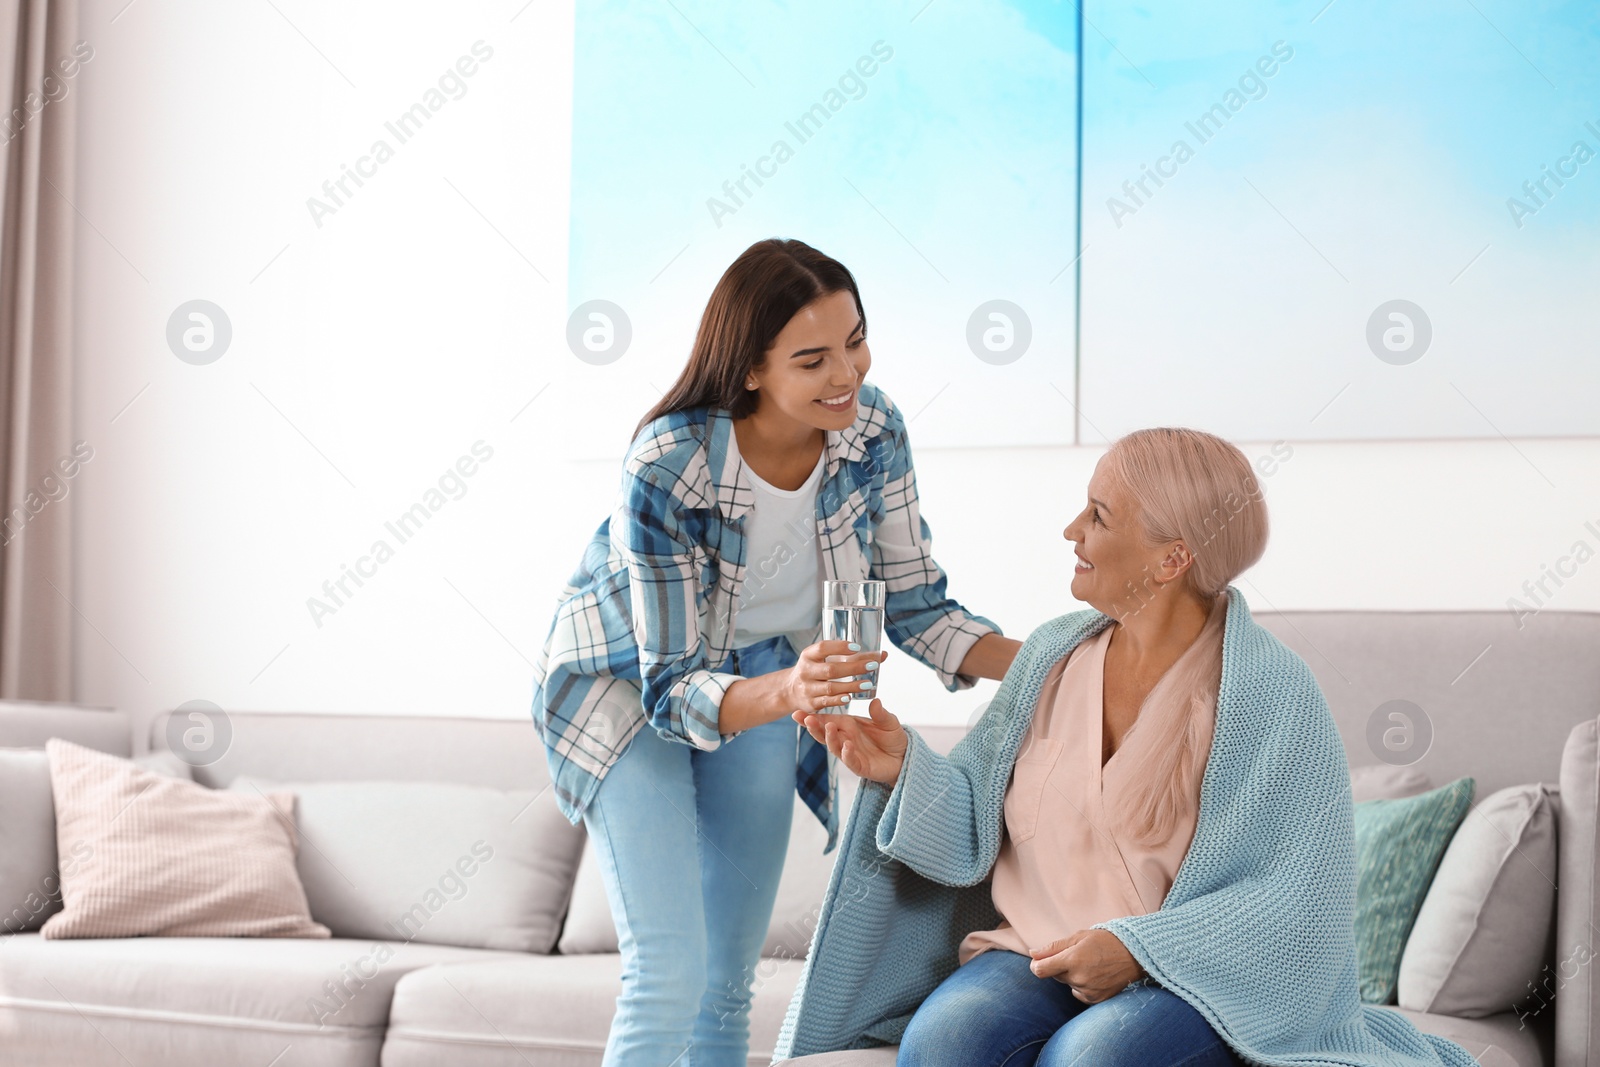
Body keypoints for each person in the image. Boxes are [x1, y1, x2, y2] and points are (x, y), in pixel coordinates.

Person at [777, 427, 1478, 1067]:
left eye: (1099, 516)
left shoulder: (1274, 694)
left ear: (1172, 558)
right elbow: (976, 815)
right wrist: (901, 764)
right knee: (946, 1043)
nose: (1070, 530)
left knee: (1094, 1057)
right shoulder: (1053, 653)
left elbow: (1297, 902)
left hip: (1194, 977)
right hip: (1036, 950)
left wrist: (1140, 951)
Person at [529, 237, 1022, 1067]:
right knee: (669, 970)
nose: (847, 375)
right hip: (621, 690)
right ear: (752, 368)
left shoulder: (871, 430)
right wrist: (797, 688)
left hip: (761, 670)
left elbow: (915, 605)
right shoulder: (670, 459)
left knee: (728, 981)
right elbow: (671, 684)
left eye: (855, 340)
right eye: (813, 359)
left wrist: (1067, 651)